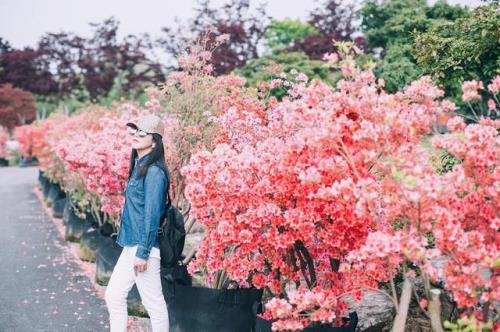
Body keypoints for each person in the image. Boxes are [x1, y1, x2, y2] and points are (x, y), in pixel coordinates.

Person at [105, 113, 169, 332]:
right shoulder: (140, 166)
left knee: (154, 304)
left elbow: (151, 216)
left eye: (142, 133)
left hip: (144, 248)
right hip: (132, 245)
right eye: (134, 131)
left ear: (155, 140)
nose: (135, 136)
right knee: (113, 295)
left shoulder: (153, 173)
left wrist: (143, 252)